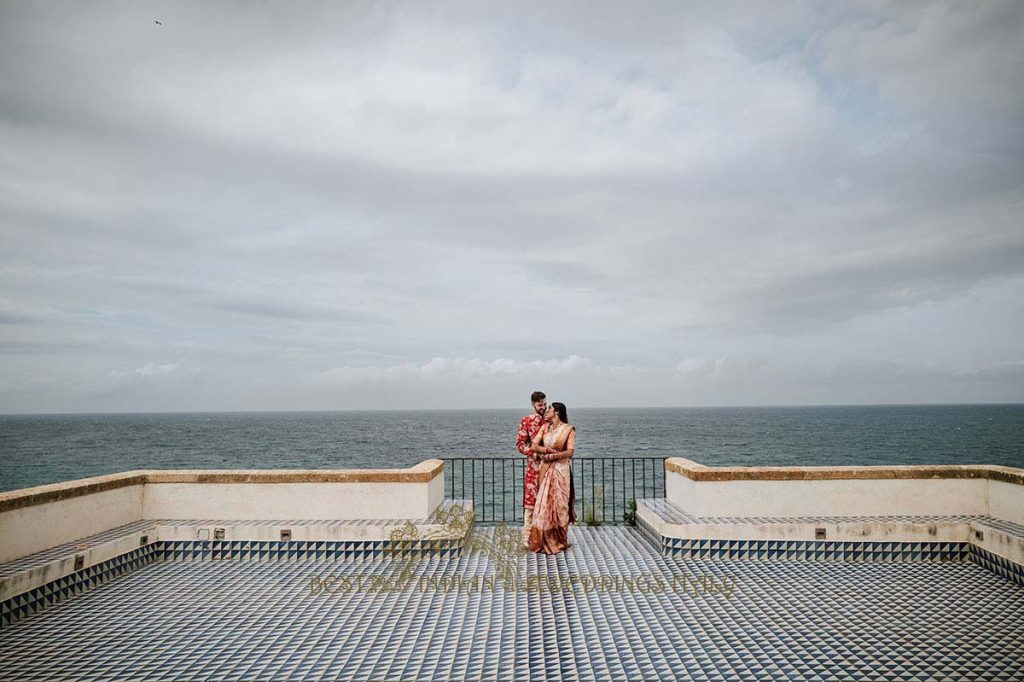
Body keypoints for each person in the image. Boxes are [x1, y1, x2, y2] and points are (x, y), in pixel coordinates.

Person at [528, 402, 577, 554]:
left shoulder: (568, 429)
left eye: (549, 409)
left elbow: (570, 452)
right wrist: (547, 450)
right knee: (544, 505)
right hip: (546, 468)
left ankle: (560, 541)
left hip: (561, 470)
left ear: (556, 412)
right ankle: (542, 541)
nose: (547, 410)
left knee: (560, 505)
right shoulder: (545, 428)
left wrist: (553, 456)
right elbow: (534, 446)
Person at [516, 391, 548, 548]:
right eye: (539, 405)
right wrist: (534, 453)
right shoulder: (526, 421)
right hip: (534, 468)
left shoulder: (551, 419)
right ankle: (527, 539)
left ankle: (547, 538)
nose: (543, 407)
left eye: (544, 404)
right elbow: (520, 444)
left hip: (550, 467)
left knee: (550, 503)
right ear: (533, 405)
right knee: (531, 505)